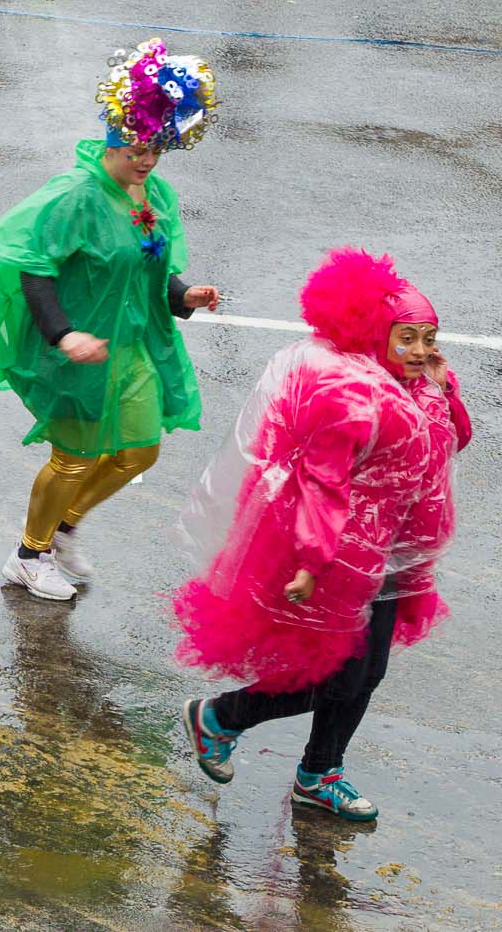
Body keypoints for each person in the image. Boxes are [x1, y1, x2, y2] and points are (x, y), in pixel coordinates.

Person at [174, 248, 467, 822]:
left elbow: (455, 441)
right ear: (374, 334)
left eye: (427, 336)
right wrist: (312, 559)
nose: (419, 349)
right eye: (405, 337)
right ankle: (219, 718)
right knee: (332, 673)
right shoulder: (350, 396)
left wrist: (443, 388)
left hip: (393, 552)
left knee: (367, 673)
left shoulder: (420, 382)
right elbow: (321, 480)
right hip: (338, 556)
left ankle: (319, 772)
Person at [0, 40, 220, 602]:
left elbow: (149, 268)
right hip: (76, 347)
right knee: (74, 458)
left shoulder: (150, 194)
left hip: (133, 345)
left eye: (157, 149)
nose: (147, 161)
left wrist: (183, 294)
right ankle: (29, 554)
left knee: (138, 451)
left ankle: (64, 528)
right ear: (115, 134)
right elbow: (34, 268)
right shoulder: (75, 195)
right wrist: (63, 333)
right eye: (137, 149)